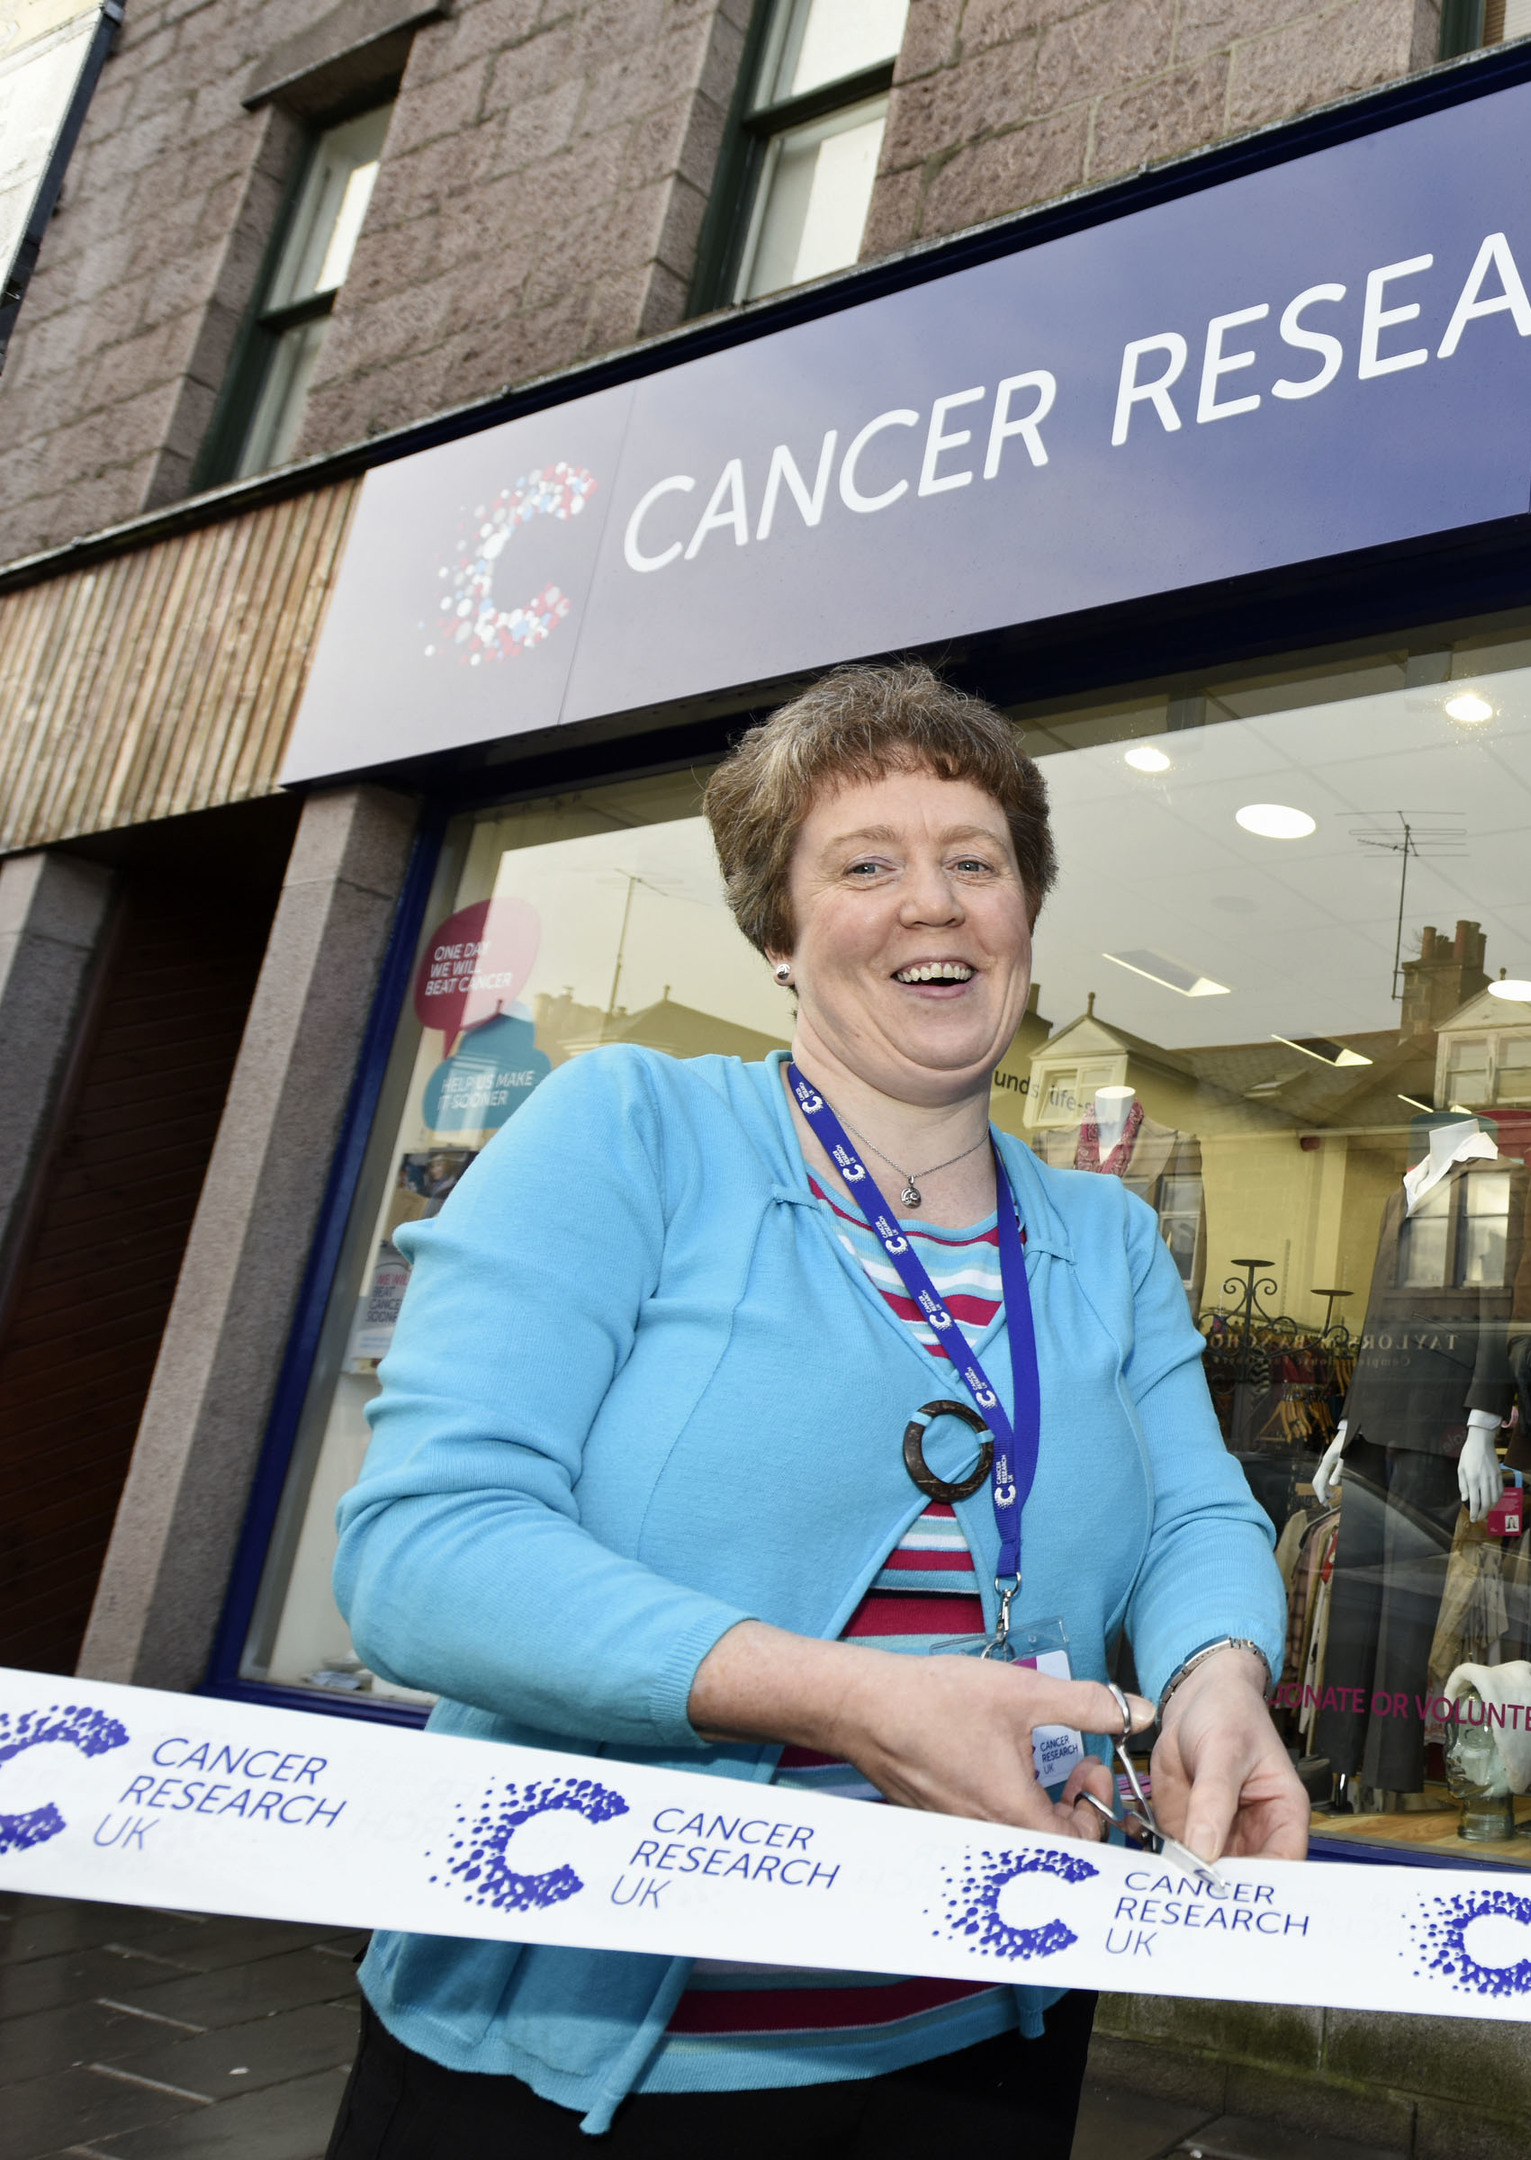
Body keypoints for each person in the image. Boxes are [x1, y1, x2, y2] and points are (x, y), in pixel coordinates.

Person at [326, 662, 1303, 2155]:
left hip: (985, 2042)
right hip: (576, 2081)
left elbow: (1196, 1514)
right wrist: (853, 1698)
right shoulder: (631, 1129)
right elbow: (425, 1554)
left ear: (1024, 919)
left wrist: (1219, 1675)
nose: (935, 903)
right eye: (867, 864)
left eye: (976, 862)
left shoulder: (1104, 1236)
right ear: (779, 931)